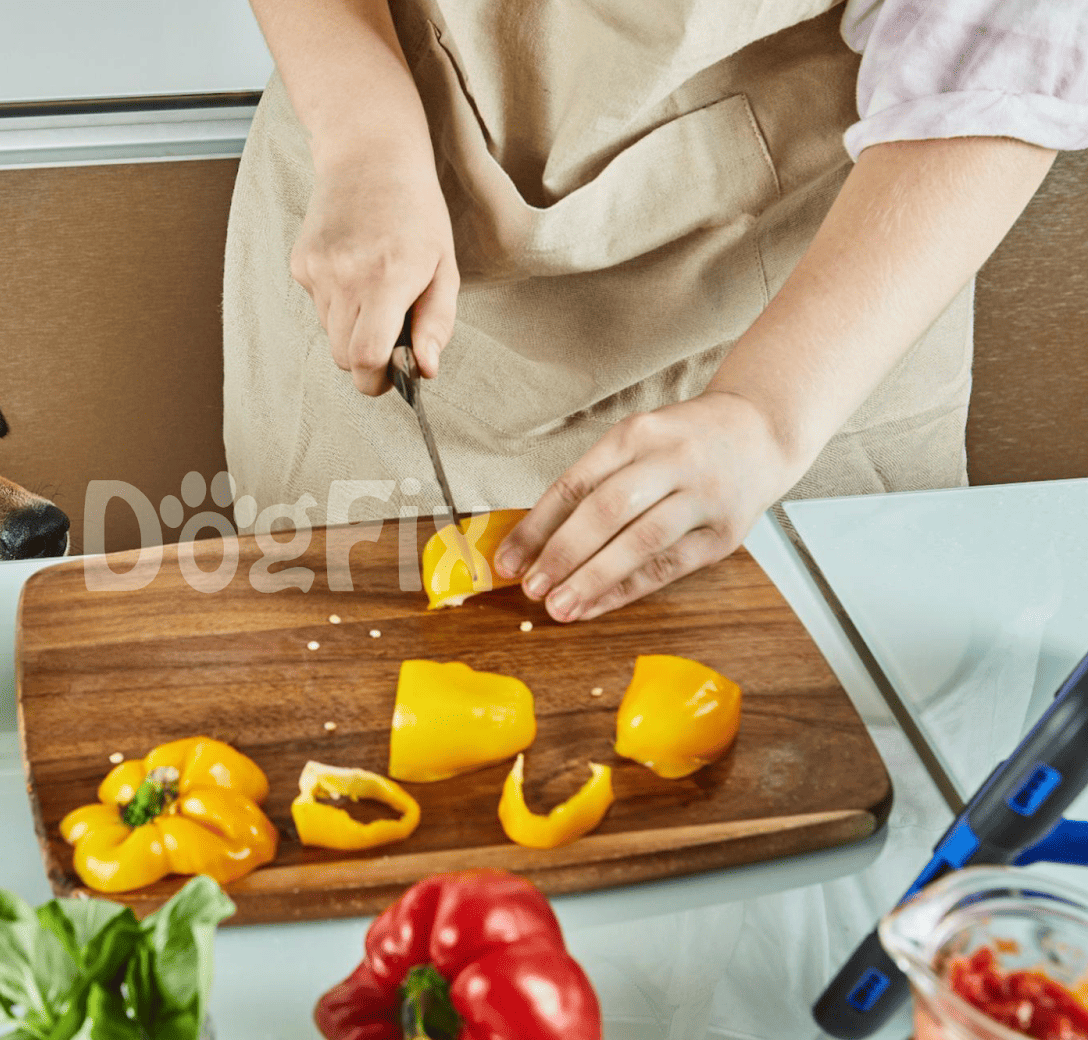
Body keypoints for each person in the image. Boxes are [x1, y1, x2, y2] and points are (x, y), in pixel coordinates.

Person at [222, 0, 1087, 621]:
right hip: (378, 176)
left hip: (812, 291)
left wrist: (766, 414)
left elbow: (1002, 43)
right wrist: (365, 136)